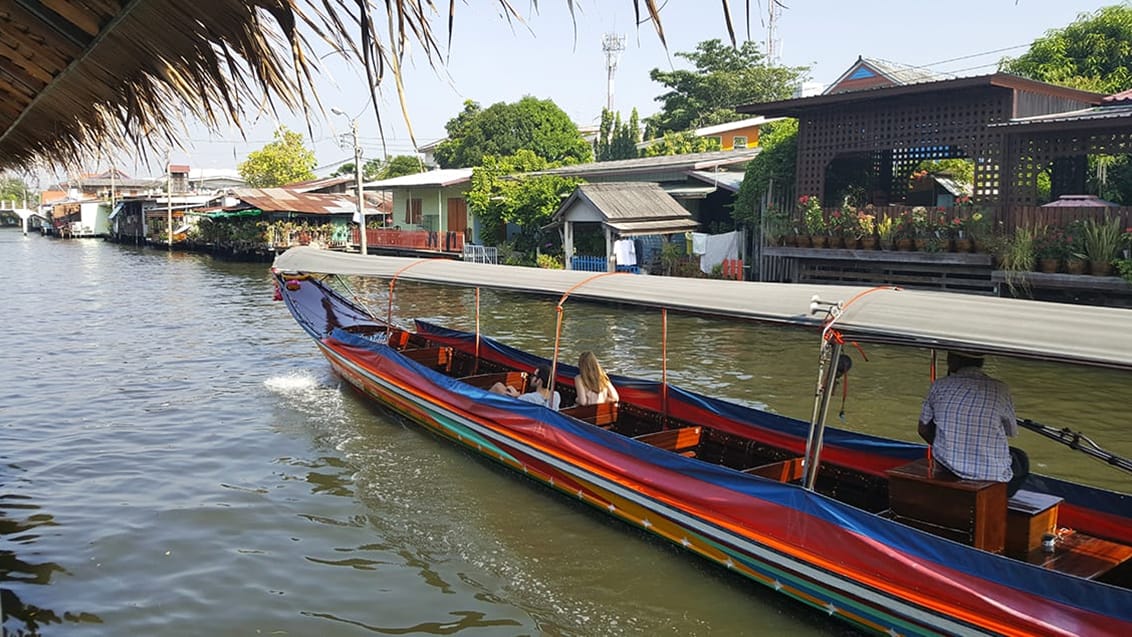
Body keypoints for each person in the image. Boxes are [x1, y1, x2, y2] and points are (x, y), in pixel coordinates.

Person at [918, 350, 1028, 496]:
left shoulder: (939, 385)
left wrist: (946, 444)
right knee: (1020, 458)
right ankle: (1002, 500)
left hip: (948, 467)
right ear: (981, 362)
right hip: (992, 474)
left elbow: (923, 429)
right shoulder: (1001, 389)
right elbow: (1012, 431)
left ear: (952, 360)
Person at [490, 365, 561, 411]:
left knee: (497, 386)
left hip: (516, 415)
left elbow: (526, 400)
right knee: (500, 387)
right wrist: (518, 395)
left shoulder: (528, 398)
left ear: (539, 381)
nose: (531, 377)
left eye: (534, 375)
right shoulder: (556, 396)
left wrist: (517, 396)